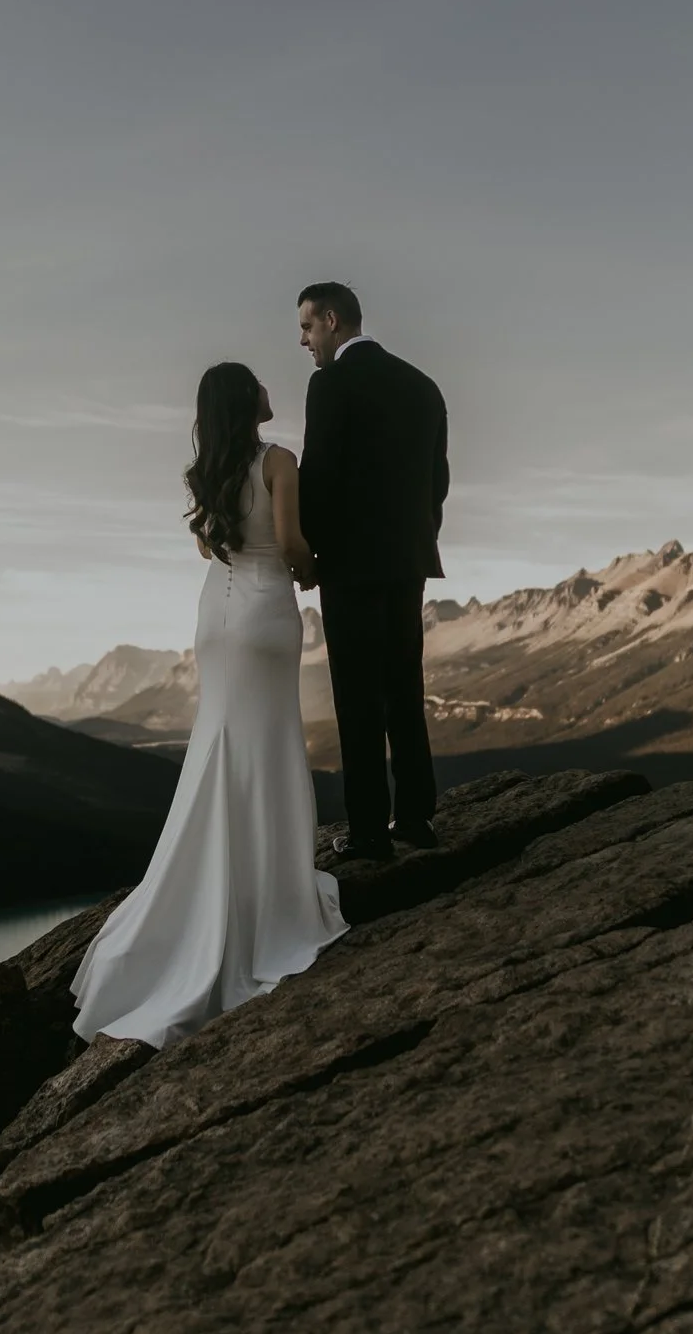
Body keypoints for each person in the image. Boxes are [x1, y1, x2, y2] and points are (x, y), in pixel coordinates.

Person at [69, 362, 348, 1046]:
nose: (265, 386)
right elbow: (288, 544)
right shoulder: (279, 460)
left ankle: (207, 891)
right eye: (255, 382)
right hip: (264, 613)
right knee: (270, 742)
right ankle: (268, 896)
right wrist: (316, 570)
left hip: (216, 618)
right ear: (245, 401)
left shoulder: (209, 473)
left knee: (219, 743)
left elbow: (207, 546)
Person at [295, 282, 449, 863]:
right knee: (404, 688)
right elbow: (438, 483)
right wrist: (416, 540)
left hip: (351, 567)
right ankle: (415, 818)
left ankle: (367, 834)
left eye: (307, 329)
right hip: (409, 561)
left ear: (332, 320)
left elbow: (320, 476)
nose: (305, 342)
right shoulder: (423, 386)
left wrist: (308, 554)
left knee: (357, 696)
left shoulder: (330, 384)